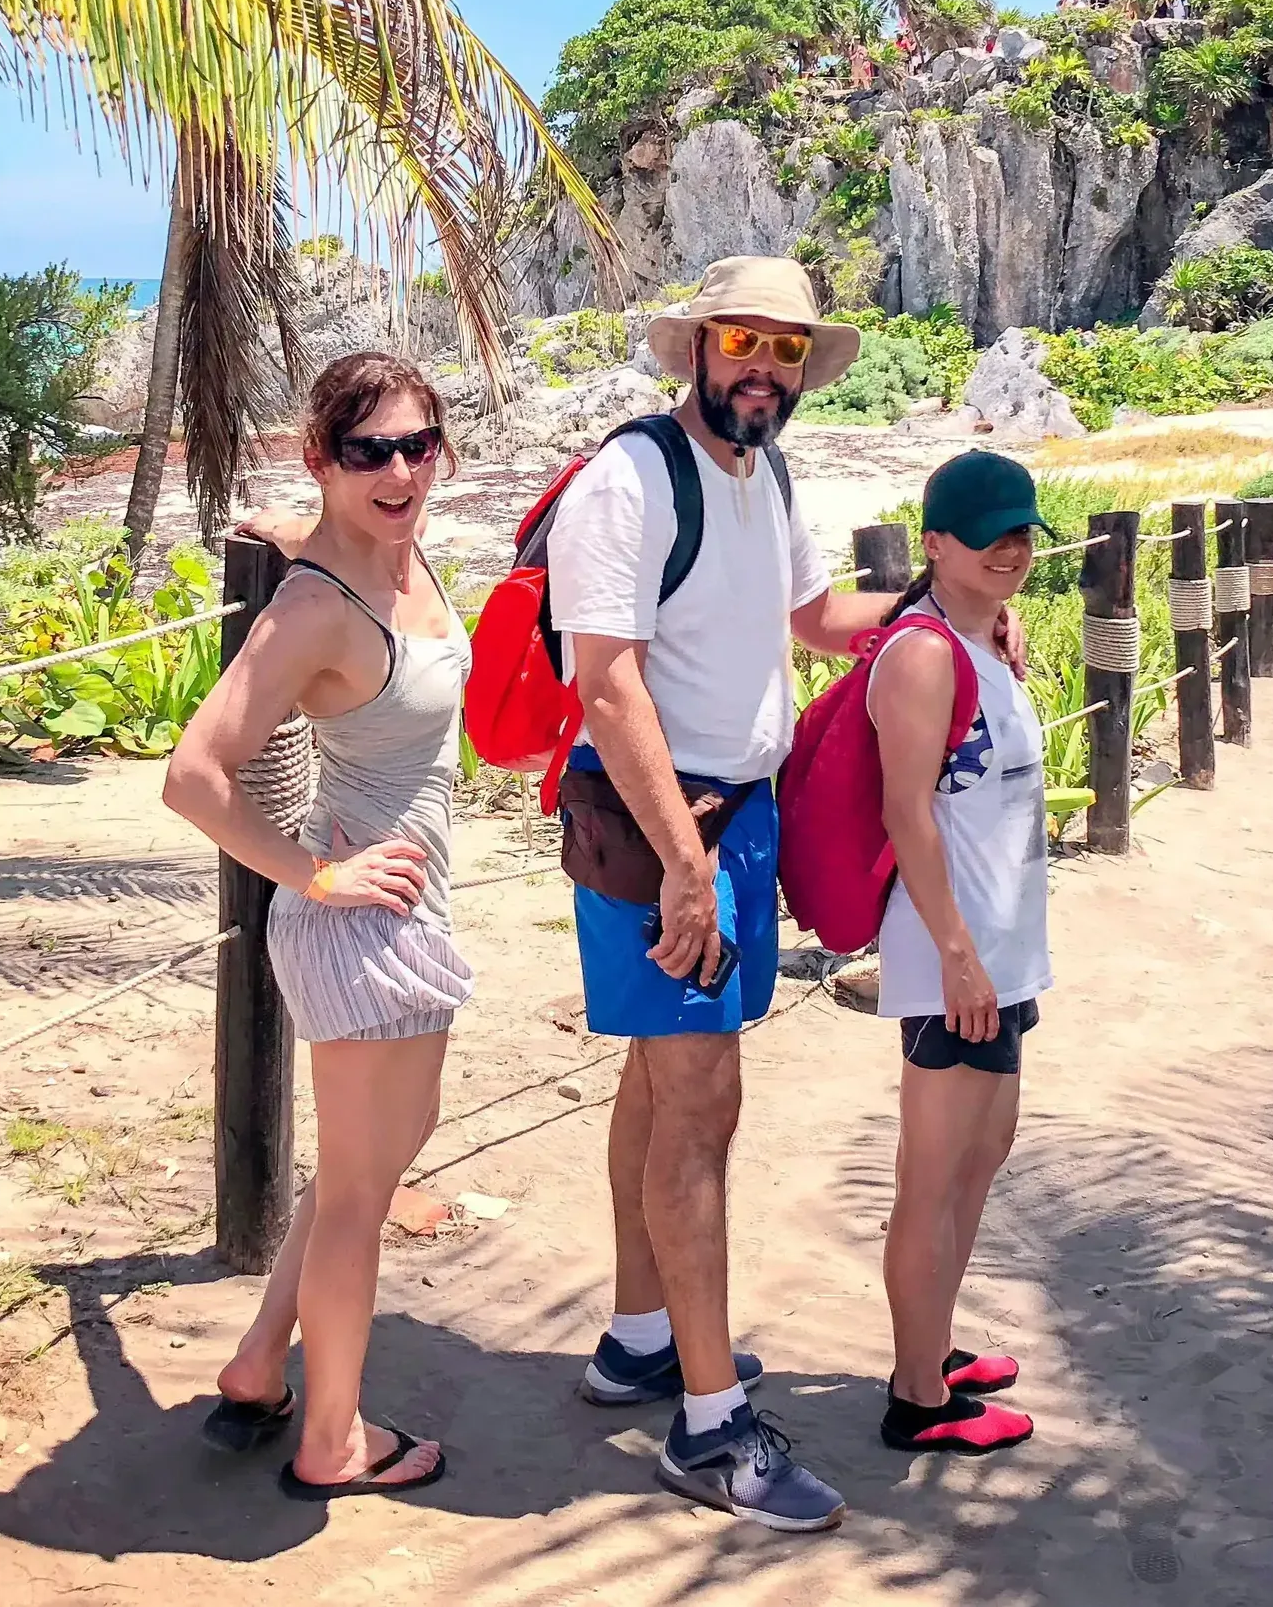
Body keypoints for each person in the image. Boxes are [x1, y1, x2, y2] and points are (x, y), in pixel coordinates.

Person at [543, 257, 898, 1533]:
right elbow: (606, 680)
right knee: (703, 1105)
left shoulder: (767, 474)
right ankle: (709, 1427)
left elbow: (814, 617)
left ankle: (642, 1339)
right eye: (742, 340)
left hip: (735, 821)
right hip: (660, 834)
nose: (764, 367)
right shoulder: (631, 481)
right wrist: (686, 870)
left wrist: (942, 606)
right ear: (696, 348)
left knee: (663, 1083)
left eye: (786, 349)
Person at [162, 350, 472, 1502]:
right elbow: (192, 776)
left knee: (380, 1155)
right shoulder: (313, 608)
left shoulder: (392, 547)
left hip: (412, 905)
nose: (399, 472)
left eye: (416, 446)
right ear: (321, 457)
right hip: (357, 917)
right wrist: (317, 874)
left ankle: (260, 1362)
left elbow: (332, 534)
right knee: (355, 1194)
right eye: (367, 451)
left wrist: (301, 522)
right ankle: (332, 1439)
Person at [867, 452, 1054, 1456]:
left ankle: (933, 1346)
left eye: (1020, 531)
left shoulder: (985, 638)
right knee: (932, 1178)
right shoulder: (923, 656)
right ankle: (916, 1396)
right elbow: (907, 813)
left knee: (982, 1158)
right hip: (956, 956)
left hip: (1003, 949)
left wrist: (992, 957)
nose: (1010, 549)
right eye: (988, 535)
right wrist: (957, 955)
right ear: (935, 543)